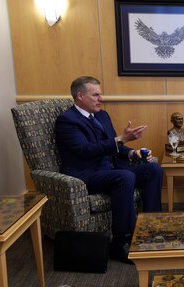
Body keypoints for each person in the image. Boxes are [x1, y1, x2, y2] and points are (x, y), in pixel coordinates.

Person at [55, 76, 163, 263]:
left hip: (112, 169)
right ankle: (121, 243)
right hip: (87, 174)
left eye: (100, 94)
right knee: (125, 177)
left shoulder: (102, 116)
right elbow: (84, 150)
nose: (101, 99)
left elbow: (114, 146)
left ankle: (150, 229)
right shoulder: (67, 121)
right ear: (80, 96)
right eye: (96, 95)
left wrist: (132, 153)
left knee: (153, 169)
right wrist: (121, 139)